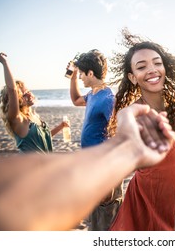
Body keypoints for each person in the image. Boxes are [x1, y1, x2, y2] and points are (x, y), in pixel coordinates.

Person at [0, 104, 175, 231]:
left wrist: (129, 147)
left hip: (48, 169)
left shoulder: (34, 119)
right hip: (38, 172)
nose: (28, 93)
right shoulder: (18, 119)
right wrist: (126, 148)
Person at [107, 29, 175, 231]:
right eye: (142, 66)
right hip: (149, 203)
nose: (152, 69)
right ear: (133, 78)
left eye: (157, 63)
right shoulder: (136, 114)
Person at [68, 49, 118, 231]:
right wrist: (73, 75)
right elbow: (75, 100)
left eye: (82, 73)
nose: (81, 77)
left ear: (91, 73)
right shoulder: (93, 94)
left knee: (105, 218)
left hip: (103, 167)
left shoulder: (107, 98)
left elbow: (117, 133)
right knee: (95, 217)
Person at [0, 53, 68, 153]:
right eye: (24, 94)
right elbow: (12, 90)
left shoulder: (34, 116)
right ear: (16, 99)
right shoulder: (18, 119)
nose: (29, 94)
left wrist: (60, 126)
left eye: (28, 91)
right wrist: (4, 63)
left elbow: (43, 138)